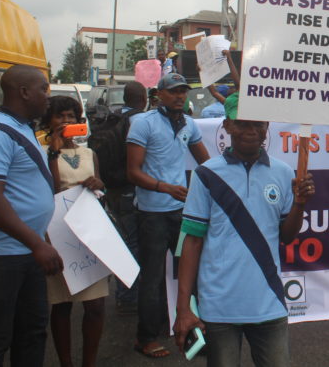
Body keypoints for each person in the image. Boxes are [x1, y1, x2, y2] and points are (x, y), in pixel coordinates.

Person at [173, 94, 315, 367]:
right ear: (227, 125)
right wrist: (183, 309)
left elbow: (287, 236)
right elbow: (192, 243)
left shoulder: (284, 173)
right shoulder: (206, 174)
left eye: (258, 123)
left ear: (267, 126)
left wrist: (299, 204)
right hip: (219, 306)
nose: (251, 130)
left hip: (269, 303)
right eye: (242, 123)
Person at [126, 73, 210, 358]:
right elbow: (133, 172)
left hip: (180, 212)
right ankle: (145, 337)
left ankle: (193, 335)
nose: (179, 97)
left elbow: (207, 164)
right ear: (159, 94)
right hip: (151, 214)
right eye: (173, 91)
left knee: (193, 272)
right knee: (151, 279)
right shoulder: (143, 123)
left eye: (183, 92)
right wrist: (164, 188)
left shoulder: (188, 124)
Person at [0, 65, 62, 366]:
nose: (48, 96)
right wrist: (37, 244)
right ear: (24, 92)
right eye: (44, 88)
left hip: (27, 252)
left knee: (31, 333)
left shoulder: (22, 127)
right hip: (5, 257)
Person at [40, 96, 107, 367]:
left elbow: (102, 192)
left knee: (96, 306)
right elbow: (50, 192)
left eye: (71, 116)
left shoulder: (89, 153)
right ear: (48, 121)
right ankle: (65, 362)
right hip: (58, 234)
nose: (66, 121)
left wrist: (97, 183)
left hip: (89, 232)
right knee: (63, 304)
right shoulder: (42, 153)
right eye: (60, 116)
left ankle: (88, 362)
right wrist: (54, 153)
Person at [109, 81, 147, 313]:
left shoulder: (113, 118)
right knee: (133, 242)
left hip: (112, 187)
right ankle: (127, 295)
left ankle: (124, 293)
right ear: (142, 98)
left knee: (123, 241)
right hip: (130, 188)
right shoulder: (140, 121)